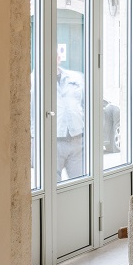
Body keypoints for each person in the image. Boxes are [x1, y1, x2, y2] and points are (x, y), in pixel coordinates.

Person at [56, 48, 85, 181]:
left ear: (59, 57)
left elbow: (84, 104)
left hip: (76, 139)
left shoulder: (76, 77)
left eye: (55, 55)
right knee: (52, 185)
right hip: (52, 140)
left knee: (79, 182)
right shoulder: (35, 80)